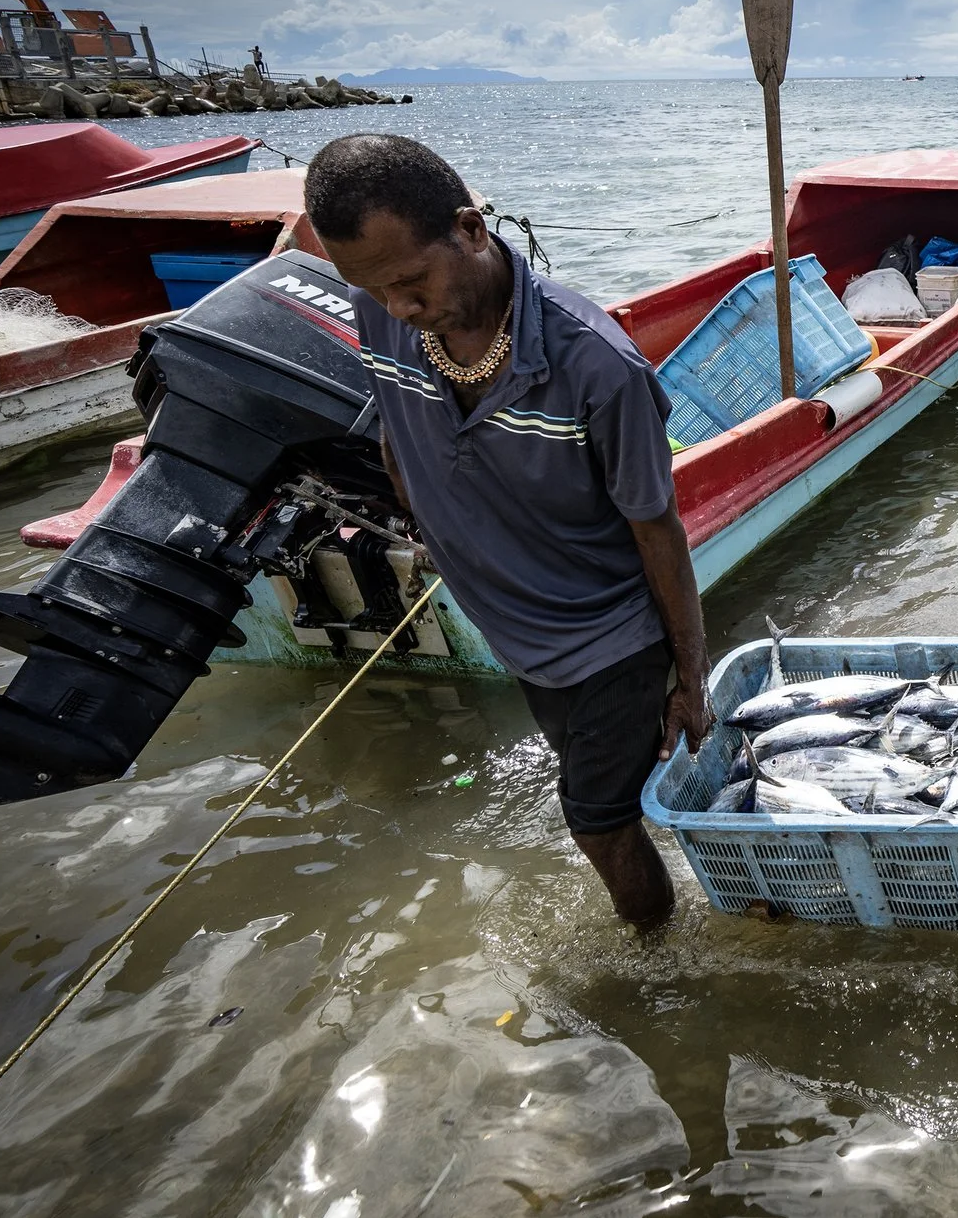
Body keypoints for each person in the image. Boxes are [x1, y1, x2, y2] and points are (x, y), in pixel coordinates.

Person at [303, 134, 711, 929]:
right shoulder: (384, 314)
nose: (397, 307)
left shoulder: (598, 366)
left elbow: (657, 526)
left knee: (598, 823)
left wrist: (691, 672)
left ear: (470, 229)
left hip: (609, 632)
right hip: (514, 632)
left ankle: (658, 971)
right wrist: (431, 534)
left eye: (412, 279)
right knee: (602, 799)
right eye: (373, 287)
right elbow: (396, 434)